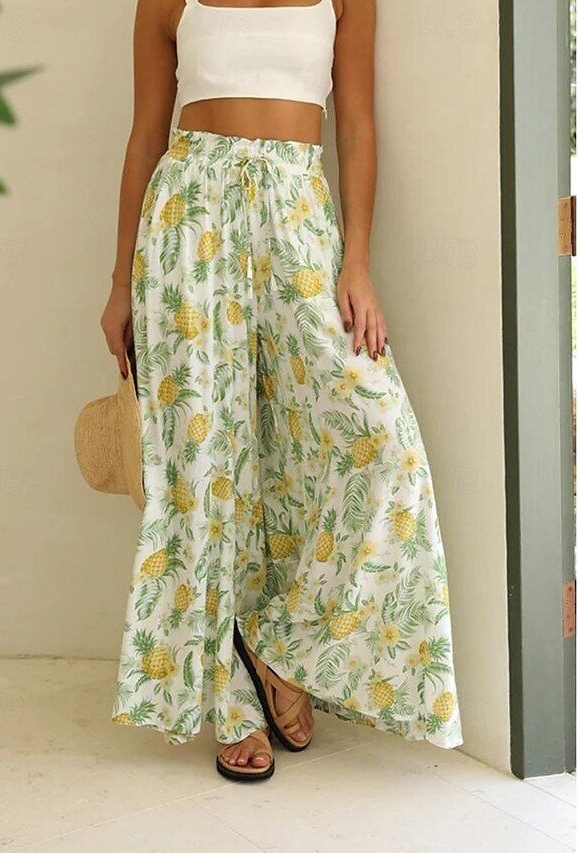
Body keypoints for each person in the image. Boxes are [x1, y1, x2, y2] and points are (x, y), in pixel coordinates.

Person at [101, 0, 463, 783]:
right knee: (209, 465)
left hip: (298, 214)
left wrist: (357, 262)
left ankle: (278, 643)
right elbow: (144, 137)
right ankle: (231, 703)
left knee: (382, 442)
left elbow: (356, 127)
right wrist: (119, 281)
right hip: (188, 221)